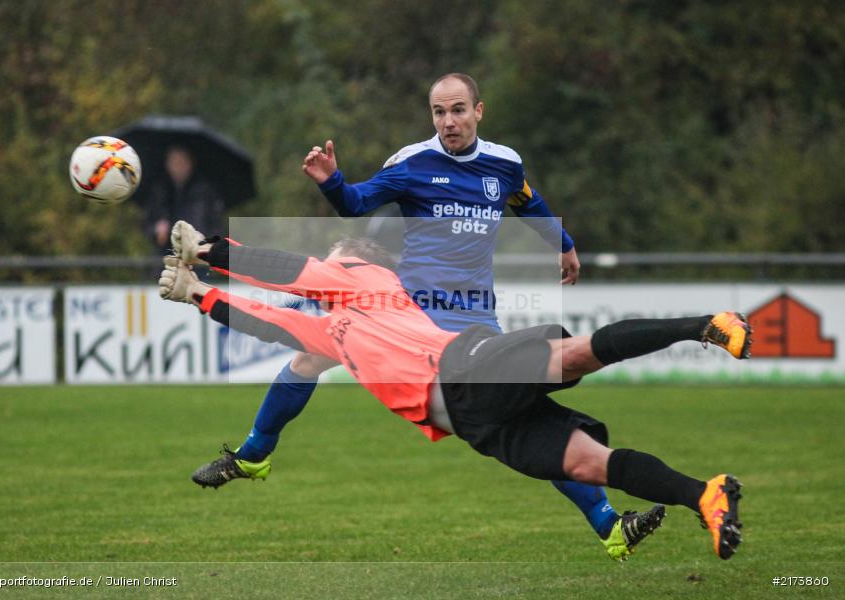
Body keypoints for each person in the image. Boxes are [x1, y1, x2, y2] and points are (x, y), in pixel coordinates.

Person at [230, 73, 647, 561]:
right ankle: (255, 451)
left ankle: (607, 524)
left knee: (520, 419)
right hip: (408, 311)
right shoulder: (411, 162)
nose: (448, 121)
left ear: (478, 111)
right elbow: (358, 203)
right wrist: (332, 182)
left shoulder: (504, 164)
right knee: (310, 356)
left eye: (457, 110)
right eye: (438, 112)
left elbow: (527, 201)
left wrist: (563, 246)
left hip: (473, 317)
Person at [159, 221, 752, 561]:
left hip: (465, 367)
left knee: (578, 354)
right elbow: (268, 322)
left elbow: (288, 268)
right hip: (475, 425)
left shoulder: (364, 277)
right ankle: (704, 495)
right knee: (590, 464)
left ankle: (704, 325)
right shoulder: (331, 330)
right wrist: (196, 294)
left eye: (332, 260)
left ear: (355, 263)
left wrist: (210, 252)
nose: (323, 267)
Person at [143, 145, 225, 253]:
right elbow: (146, 224)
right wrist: (156, 230)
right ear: (167, 164)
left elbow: (217, 226)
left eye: (182, 161)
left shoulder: (206, 191)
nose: (178, 166)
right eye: (174, 161)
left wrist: (205, 242)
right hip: (166, 257)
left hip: (198, 257)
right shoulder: (159, 190)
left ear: (191, 163)